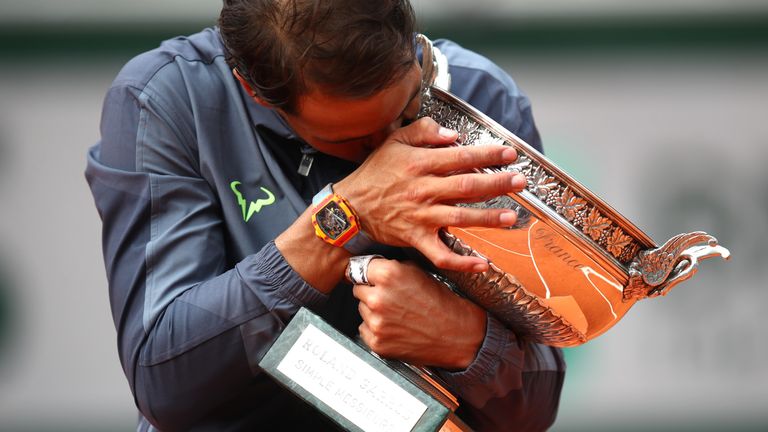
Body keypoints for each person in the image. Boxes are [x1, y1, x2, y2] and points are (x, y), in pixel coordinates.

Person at [85, 0, 565, 430]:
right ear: (253, 89)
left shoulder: (480, 95)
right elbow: (164, 381)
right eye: (351, 142)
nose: (388, 155)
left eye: (403, 112)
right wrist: (345, 215)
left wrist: (465, 340)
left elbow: (534, 410)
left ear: (410, 45)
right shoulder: (167, 100)